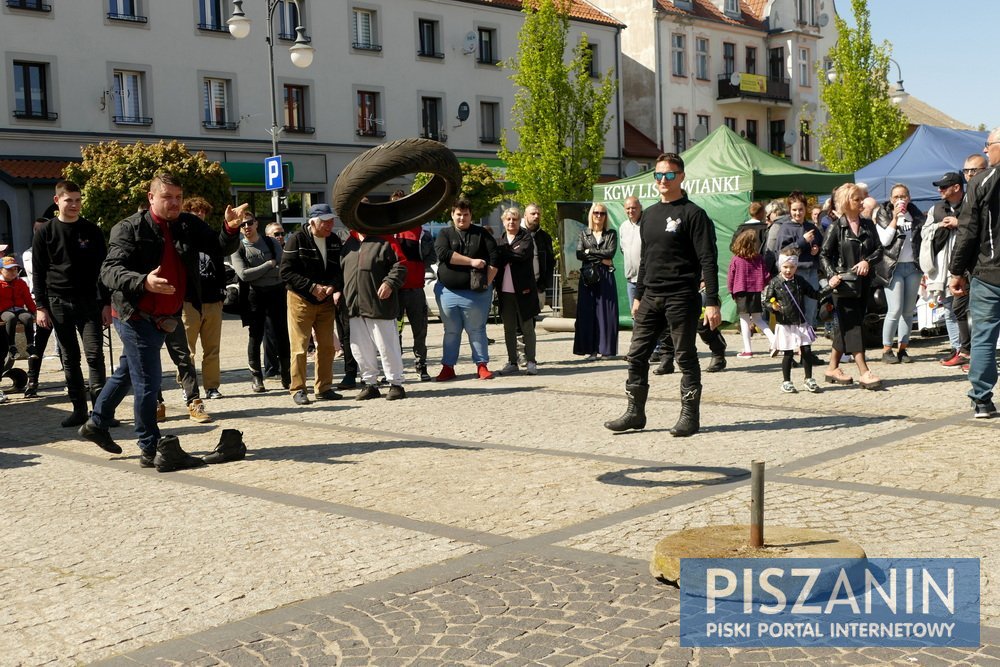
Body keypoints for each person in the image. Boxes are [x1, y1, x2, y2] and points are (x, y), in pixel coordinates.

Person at [78, 172, 244, 471]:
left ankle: (96, 423)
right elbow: (109, 271)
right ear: (151, 198)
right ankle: (149, 446)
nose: (174, 203)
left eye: (178, 197)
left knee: (129, 372)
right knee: (149, 380)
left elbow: (219, 247)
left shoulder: (187, 224)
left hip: (167, 315)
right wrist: (143, 281)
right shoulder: (129, 228)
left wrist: (230, 228)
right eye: (167, 197)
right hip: (134, 315)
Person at [605, 152, 720, 437]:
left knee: (685, 356)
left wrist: (713, 302)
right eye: (658, 175)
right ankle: (635, 413)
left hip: (682, 295)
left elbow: (708, 259)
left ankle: (689, 416)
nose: (663, 180)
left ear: (681, 176)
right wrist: (638, 295)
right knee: (636, 355)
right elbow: (646, 259)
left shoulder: (693, 214)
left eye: (669, 175)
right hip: (651, 297)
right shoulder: (650, 215)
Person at [31, 180, 111, 427]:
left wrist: (107, 304)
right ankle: (79, 409)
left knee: (94, 354)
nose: (74, 204)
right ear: (58, 201)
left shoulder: (92, 230)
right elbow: (38, 271)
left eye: (77, 200)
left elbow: (104, 269)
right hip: (58, 302)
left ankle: (101, 413)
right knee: (70, 357)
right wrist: (41, 307)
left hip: (90, 302)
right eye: (69, 200)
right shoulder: (46, 232)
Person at [948, 128, 1000, 418]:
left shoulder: (981, 182)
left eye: (988, 146)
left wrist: (957, 271)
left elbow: (967, 232)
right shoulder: (982, 180)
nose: (985, 151)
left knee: (983, 338)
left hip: (989, 273)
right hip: (988, 271)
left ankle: (981, 398)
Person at [819, 183, 883, 390]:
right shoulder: (836, 227)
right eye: (857, 199)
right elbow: (824, 254)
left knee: (846, 327)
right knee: (853, 326)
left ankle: (831, 368)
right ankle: (864, 371)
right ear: (847, 202)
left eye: (861, 198)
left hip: (863, 284)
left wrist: (868, 262)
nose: (862, 202)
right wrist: (832, 275)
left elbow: (879, 250)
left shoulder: (867, 224)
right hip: (843, 286)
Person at [279, 203, 344, 405]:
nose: (330, 225)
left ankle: (324, 387)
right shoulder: (296, 240)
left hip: (325, 301)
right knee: (299, 347)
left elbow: (339, 270)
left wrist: (332, 287)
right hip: (300, 300)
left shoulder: (334, 240)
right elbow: (285, 272)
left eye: (331, 220)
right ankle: (298, 389)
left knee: (326, 346)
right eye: (325, 221)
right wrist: (311, 286)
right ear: (313, 222)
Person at [433, 198, 499, 381]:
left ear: (471, 215)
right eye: (459, 214)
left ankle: (482, 366)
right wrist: (471, 262)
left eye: (466, 214)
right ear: (452, 215)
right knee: (451, 331)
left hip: (476, 295)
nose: (462, 218)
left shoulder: (482, 234)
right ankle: (448, 367)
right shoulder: (444, 233)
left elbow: (495, 259)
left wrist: (486, 284)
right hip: (448, 292)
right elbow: (443, 254)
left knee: (477, 330)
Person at [340, 229, 407, 400]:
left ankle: (396, 383)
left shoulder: (386, 239)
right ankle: (370, 384)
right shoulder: (349, 242)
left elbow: (401, 264)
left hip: (379, 304)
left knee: (387, 345)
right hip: (354, 306)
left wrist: (390, 283)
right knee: (360, 348)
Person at [231, 212, 290, 393]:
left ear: (256, 223)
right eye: (242, 225)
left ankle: (287, 374)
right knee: (255, 335)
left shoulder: (271, 242)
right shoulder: (238, 248)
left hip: (276, 292)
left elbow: (283, 267)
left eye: (249, 223)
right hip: (254, 295)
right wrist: (269, 265)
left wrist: (262, 270)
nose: (246, 227)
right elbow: (244, 274)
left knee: (282, 333)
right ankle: (257, 376)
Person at [921, 170, 973, 368]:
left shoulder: (970, 204)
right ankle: (957, 348)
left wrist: (959, 223)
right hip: (944, 268)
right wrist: (940, 225)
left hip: (968, 266)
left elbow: (981, 227)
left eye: (943, 186)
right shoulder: (937, 209)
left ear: (957, 187)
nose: (940, 190)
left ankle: (970, 352)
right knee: (951, 309)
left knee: (966, 310)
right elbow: (925, 232)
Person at [179, 197, 225, 402]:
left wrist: (222, 293)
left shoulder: (211, 239)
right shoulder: (183, 239)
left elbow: (222, 267)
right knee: (187, 349)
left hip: (213, 300)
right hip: (189, 301)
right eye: (194, 212)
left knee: (212, 348)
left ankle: (212, 387)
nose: (199, 216)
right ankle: (187, 386)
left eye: (202, 213)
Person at [873, 183, 926, 364]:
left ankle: (903, 349)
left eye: (903, 196)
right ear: (890, 199)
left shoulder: (916, 215)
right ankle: (887, 349)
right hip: (893, 267)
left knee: (908, 311)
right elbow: (885, 241)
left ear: (909, 198)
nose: (900, 200)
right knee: (894, 309)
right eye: (896, 197)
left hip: (913, 267)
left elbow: (923, 240)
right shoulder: (883, 213)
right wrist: (895, 219)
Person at [762, 251, 825, 393]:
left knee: (807, 351)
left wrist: (830, 287)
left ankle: (808, 379)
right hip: (785, 323)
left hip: (800, 322)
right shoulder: (775, 282)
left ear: (796, 267)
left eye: (792, 267)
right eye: (785, 267)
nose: (788, 270)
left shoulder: (800, 281)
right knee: (788, 354)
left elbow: (814, 294)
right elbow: (766, 301)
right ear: (780, 266)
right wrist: (773, 306)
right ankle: (786, 381)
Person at [495, 206, 540, 375]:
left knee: (527, 327)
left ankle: (531, 361)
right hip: (505, 292)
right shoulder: (499, 240)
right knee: (509, 328)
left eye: (514, 219)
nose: (511, 222)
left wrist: (504, 253)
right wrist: (507, 253)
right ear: (503, 221)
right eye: (508, 219)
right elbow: (497, 259)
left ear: (519, 220)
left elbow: (521, 255)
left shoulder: (526, 238)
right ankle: (512, 361)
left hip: (524, 291)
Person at [573, 203, 619, 360]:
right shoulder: (584, 234)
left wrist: (590, 251)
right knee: (588, 312)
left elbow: (610, 252)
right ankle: (590, 350)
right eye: (596, 213)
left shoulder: (611, 234)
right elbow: (579, 254)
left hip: (606, 276)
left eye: (603, 213)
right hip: (588, 276)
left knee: (607, 312)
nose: (599, 216)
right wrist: (602, 258)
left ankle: (606, 350)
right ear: (591, 215)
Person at [394, 222, 435, 382]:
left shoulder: (423, 234)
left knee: (419, 330)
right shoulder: (393, 232)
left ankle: (421, 365)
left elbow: (432, 257)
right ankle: (396, 367)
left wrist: (418, 268)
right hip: (396, 291)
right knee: (395, 331)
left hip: (416, 290)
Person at [727, 229, 775, 358]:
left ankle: (747, 350)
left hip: (741, 291)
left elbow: (731, 277)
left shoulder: (736, 259)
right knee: (758, 319)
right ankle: (775, 342)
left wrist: (731, 290)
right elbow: (766, 275)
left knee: (744, 320)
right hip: (756, 291)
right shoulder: (758, 258)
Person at [20, 217, 54, 398]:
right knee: (38, 344)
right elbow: (38, 273)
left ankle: (75, 381)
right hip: (42, 302)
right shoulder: (29, 253)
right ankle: (32, 381)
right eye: (37, 230)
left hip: (60, 300)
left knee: (67, 344)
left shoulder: (55, 249)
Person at [0, 255, 36, 370]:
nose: (13, 272)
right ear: (1, 270)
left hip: (19, 309)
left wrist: (35, 312)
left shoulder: (20, 283)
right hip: (4, 311)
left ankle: (30, 345)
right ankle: (12, 346)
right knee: (10, 318)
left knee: (27, 317)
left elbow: (28, 299)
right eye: (9, 269)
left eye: (15, 269)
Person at [522, 203, 554, 312]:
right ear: (525, 215)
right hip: (519, 285)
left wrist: (544, 284)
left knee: (532, 319)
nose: (536, 216)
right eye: (533, 213)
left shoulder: (545, 237)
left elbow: (550, 261)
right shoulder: (516, 234)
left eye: (538, 214)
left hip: (537, 285)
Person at [620, 196, 643, 304]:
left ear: (640, 207)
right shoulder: (623, 227)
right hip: (631, 282)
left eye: (634, 208)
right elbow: (622, 250)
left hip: (645, 281)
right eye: (628, 208)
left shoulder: (646, 224)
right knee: (634, 316)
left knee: (648, 317)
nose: (630, 211)